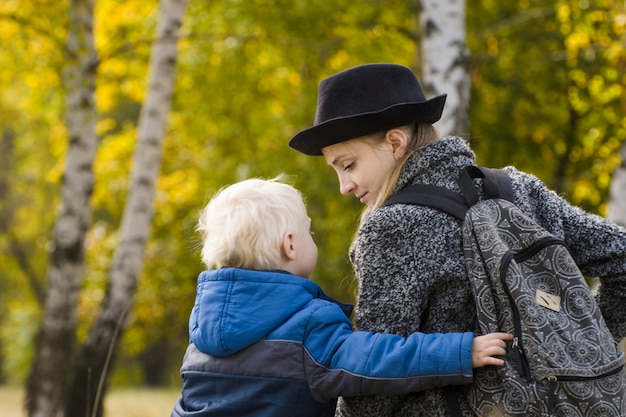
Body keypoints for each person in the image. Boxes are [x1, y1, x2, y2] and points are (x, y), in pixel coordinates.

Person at [288, 63, 626, 416]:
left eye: (348, 165)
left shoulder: (391, 227)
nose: (344, 187)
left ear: (394, 142)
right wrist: (574, 350)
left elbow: (375, 376)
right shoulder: (518, 189)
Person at [170, 176, 512, 417]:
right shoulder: (308, 327)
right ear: (290, 244)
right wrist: (461, 351)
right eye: (309, 230)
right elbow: (381, 360)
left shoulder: (201, 333)